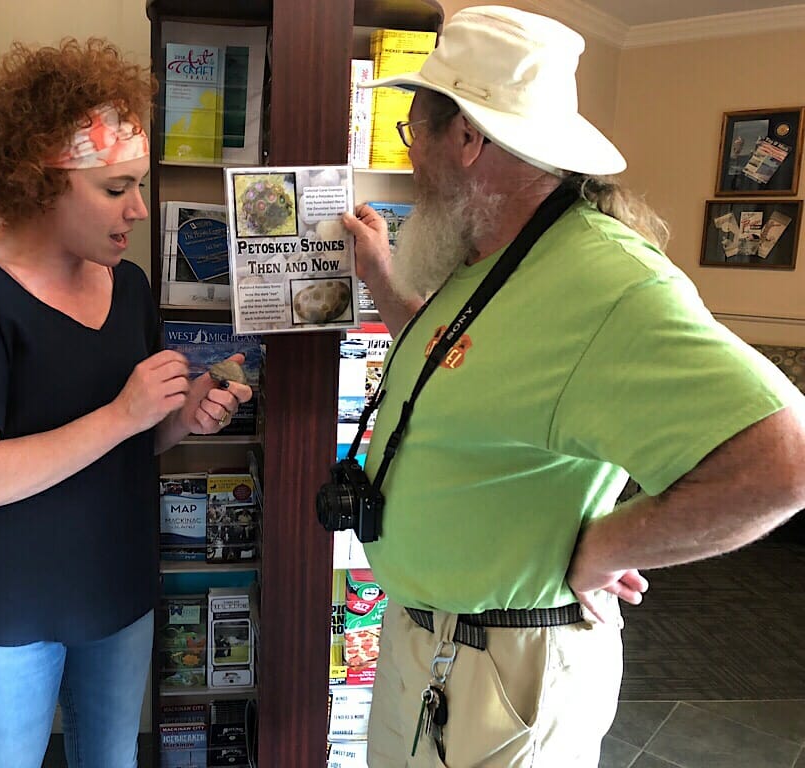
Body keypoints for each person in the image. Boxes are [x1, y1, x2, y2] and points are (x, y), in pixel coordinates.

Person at [340, 7, 805, 766]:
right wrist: (383, 281)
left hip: (503, 671)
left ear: (465, 139)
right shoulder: (486, 257)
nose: (411, 158)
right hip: (427, 646)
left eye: (411, 134)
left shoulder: (607, 283)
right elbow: (464, 368)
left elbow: (786, 463)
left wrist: (603, 546)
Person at [0, 38, 251, 768]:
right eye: (114, 188)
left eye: (138, 185)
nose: (138, 207)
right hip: (3, 618)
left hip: (116, 597)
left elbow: (133, 444)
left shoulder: (126, 286)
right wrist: (124, 414)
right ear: (42, 182)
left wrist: (177, 417)